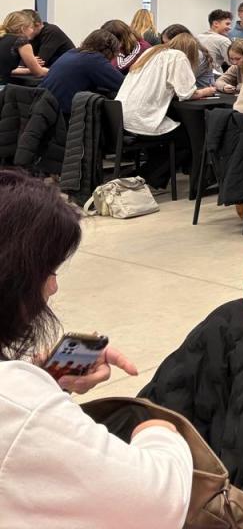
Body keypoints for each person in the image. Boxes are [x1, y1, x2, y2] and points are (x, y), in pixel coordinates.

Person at [0, 170, 194, 526]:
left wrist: (48, 379)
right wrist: (158, 433)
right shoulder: (16, 403)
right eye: (48, 271)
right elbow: (155, 503)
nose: (53, 288)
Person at [115, 34, 216, 188]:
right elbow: (187, 94)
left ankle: (143, 174)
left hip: (122, 117)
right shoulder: (178, 57)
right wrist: (207, 91)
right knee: (189, 140)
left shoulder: (151, 52)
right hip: (142, 119)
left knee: (176, 135)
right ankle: (145, 176)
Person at [39, 28, 125, 115]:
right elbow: (123, 85)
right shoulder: (94, 60)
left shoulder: (72, 52)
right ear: (110, 51)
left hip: (42, 107)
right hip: (61, 115)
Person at [0, 10, 48, 85]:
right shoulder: (21, 41)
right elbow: (38, 73)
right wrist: (53, 70)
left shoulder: (3, 37)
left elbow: (9, 70)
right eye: (31, 27)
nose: (32, 30)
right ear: (23, 28)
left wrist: (29, 69)